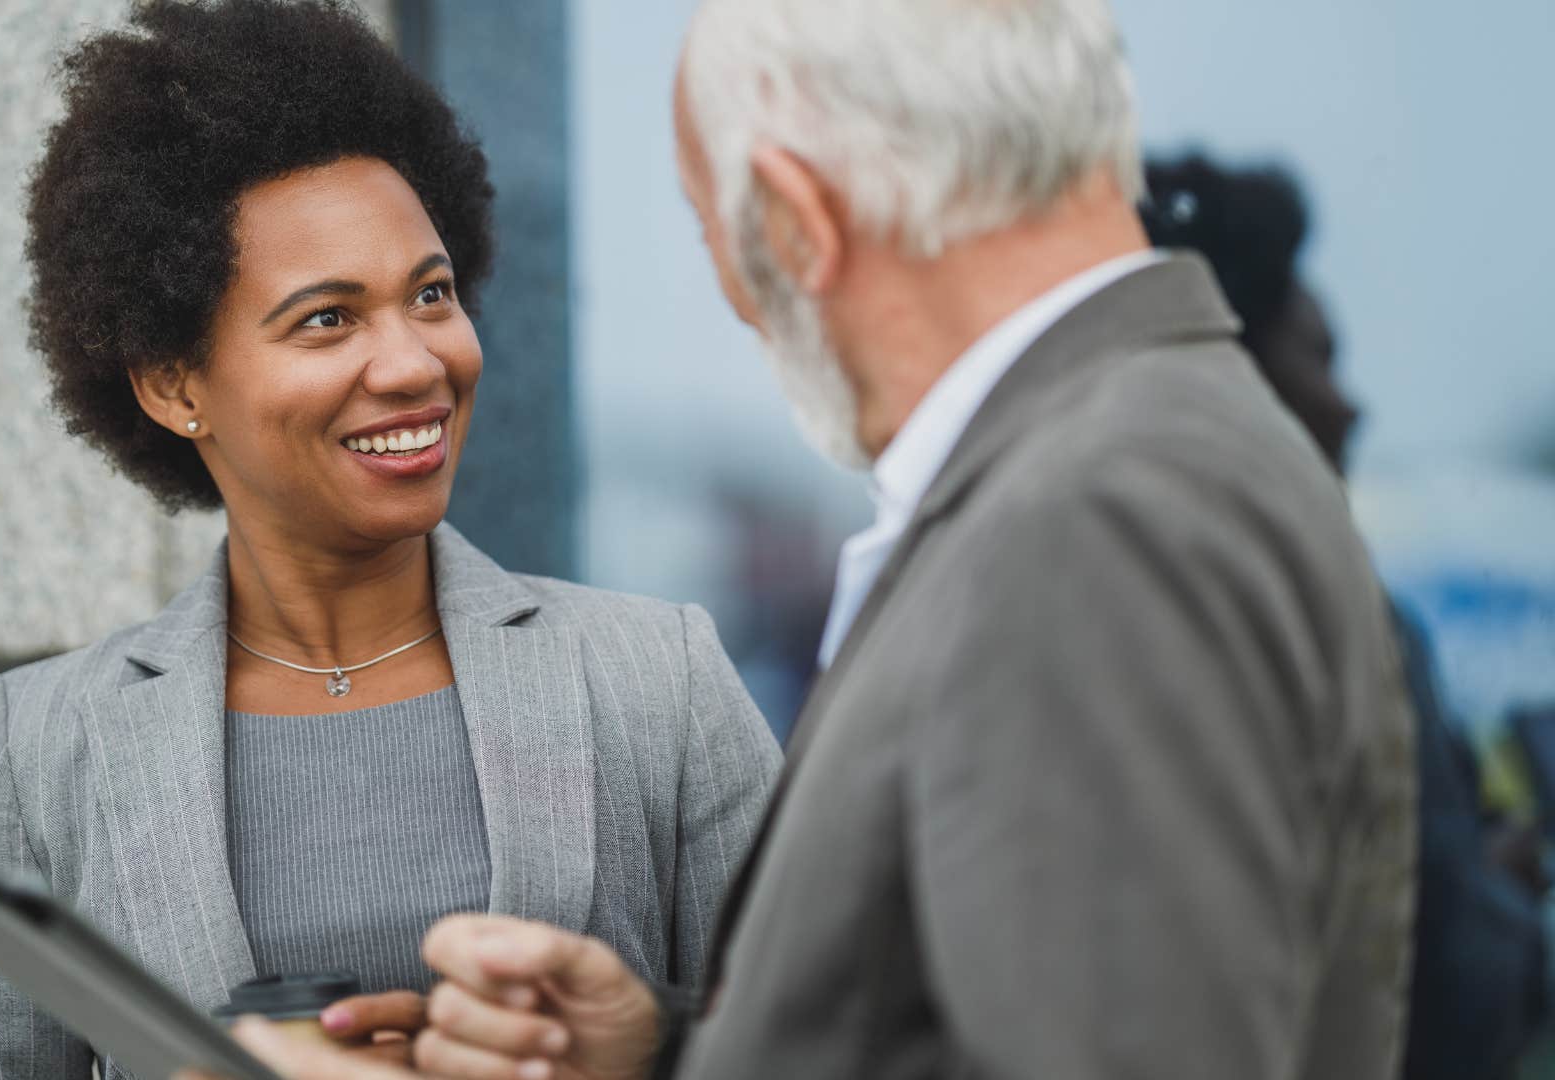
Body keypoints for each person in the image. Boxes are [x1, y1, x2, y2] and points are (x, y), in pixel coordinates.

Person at [195, 0, 1420, 1077]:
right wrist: (664, 1050)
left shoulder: (1093, 520)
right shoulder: (1152, 451)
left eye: (705, 220)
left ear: (795, 219)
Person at [0, 2, 781, 1077]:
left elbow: (830, 1044)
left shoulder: (659, 681)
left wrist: (634, 1048)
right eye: (328, 318)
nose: (415, 362)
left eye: (431, 294)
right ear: (176, 383)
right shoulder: (48, 743)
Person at [1144, 153, 1551, 1080]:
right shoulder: (1347, 623)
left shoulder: (1120, 596)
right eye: (1317, 357)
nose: (1349, 404)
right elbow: (1450, 988)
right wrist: (1498, 899)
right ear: (1241, 380)